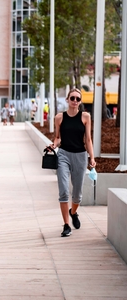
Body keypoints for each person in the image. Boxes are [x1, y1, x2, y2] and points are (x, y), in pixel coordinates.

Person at [48, 88, 96, 237]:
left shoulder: (86, 117)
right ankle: (66, 225)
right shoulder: (59, 118)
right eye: (72, 98)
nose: (75, 101)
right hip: (63, 155)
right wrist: (53, 145)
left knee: (77, 195)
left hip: (80, 156)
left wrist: (92, 158)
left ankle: (73, 212)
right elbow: (58, 137)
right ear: (67, 100)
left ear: (80, 102)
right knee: (63, 191)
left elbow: (88, 140)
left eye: (78, 99)